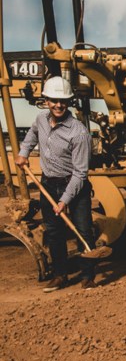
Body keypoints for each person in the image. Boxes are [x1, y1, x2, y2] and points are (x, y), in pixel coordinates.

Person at [16, 77, 97, 292]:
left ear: (69, 101)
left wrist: (64, 201)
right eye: (54, 100)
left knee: (83, 230)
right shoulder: (40, 119)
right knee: (53, 232)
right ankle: (61, 275)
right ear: (46, 100)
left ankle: (88, 276)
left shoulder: (78, 132)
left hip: (74, 186)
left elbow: (80, 173)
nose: (58, 105)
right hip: (48, 184)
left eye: (63, 100)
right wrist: (24, 152)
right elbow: (32, 135)